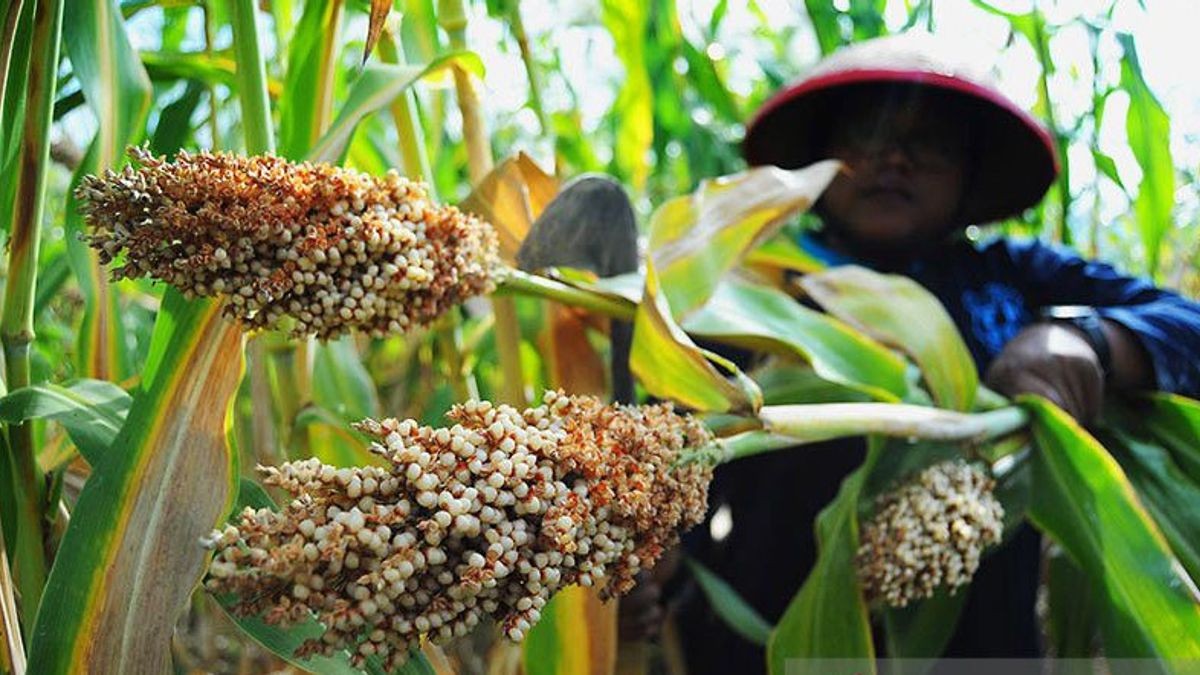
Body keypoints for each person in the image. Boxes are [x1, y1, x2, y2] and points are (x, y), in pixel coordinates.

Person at [619, 33, 1200, 671]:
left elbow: (1184, 323)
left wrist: (1089, 340)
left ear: (969, 174)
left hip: (980, 648)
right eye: (865, 136)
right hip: (768, 641)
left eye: (930, 144)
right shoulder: (743, 288)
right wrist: (660, 577)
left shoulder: (1010, 277)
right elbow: (677, 468)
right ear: (821, 159)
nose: (893, 158)